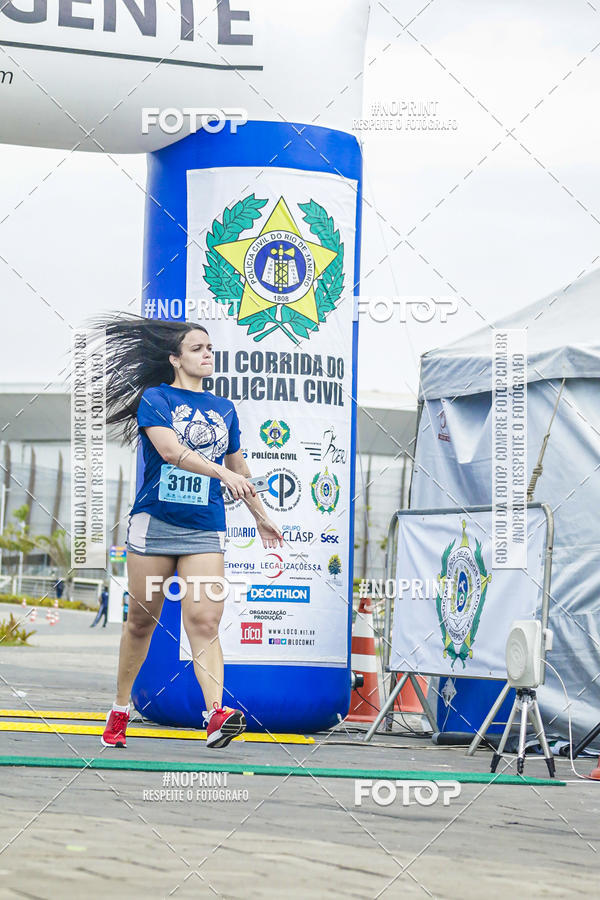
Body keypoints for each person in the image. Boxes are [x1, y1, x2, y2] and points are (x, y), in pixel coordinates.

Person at [94, 315, 283, 750]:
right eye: (197, 348)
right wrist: (220, 472)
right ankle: (120, 708)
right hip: (156, 525)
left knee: (204, 620)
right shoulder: (156, 398)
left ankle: (215, 714)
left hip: (204, 528)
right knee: (141, 621)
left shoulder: (224, 409)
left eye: (210, 348)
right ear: (175, 359)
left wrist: (260, 514)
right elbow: (171, 451)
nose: (207, 354)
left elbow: (239, 469)